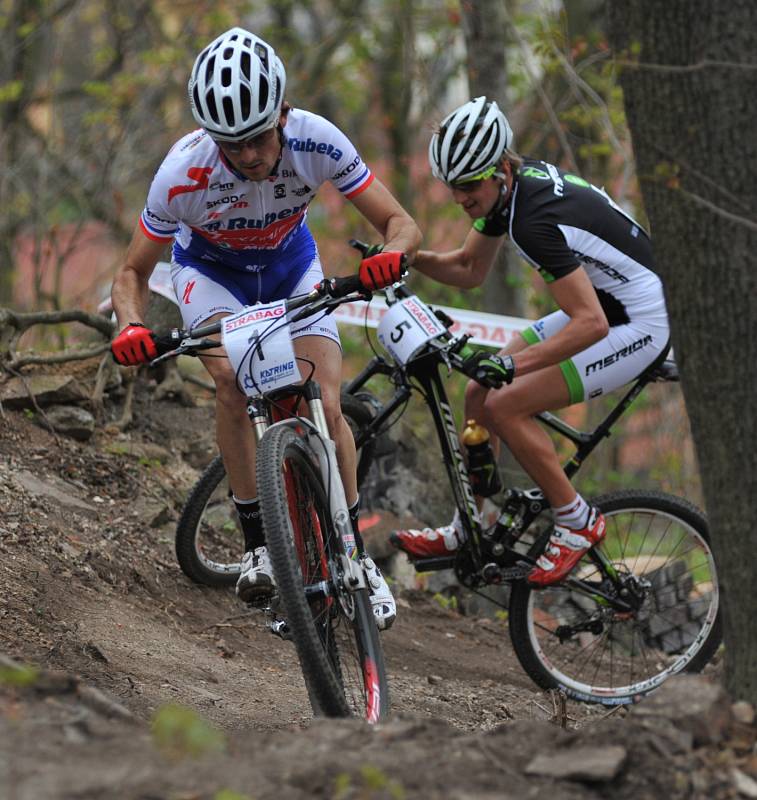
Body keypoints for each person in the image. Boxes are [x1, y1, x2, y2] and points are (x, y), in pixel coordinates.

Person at [110, 27, 421, 628]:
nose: (249, 155)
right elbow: (131, 271)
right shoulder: (180, 174)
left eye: (257, 137)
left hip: (291, 267)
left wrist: (391, 253)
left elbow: (400, 222)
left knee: (326, 407)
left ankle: (353, 548)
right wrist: (129, 326)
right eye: (232, 145)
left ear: (281, 113)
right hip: (211, 275)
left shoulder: (318, 141)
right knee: (231, 384)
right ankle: (259, 543)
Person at [391, 96, 669, 586]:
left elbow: (589, 327)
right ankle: (470, 525)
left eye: (468, 185)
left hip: (641, 324)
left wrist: (515, 369)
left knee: (506, 404)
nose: (459, 198)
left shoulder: (531, 220)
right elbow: (468, 268)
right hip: (612, 307)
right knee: (478, 392)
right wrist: (405, 258)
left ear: (498, 168)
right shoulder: (512, 192)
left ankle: (576, 521)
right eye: (452, 187)